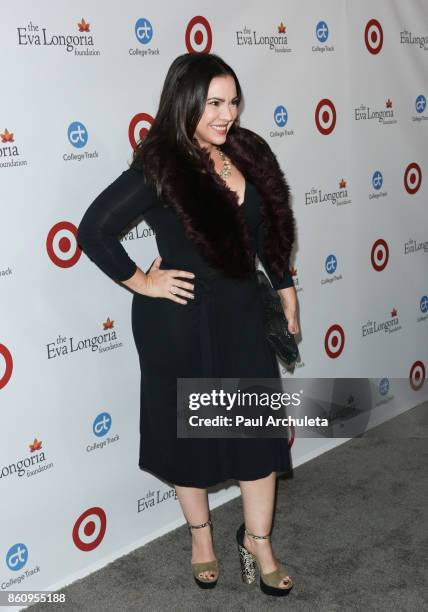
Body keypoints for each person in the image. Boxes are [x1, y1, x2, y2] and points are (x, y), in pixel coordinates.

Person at [77, 52, 300, 596]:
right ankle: (201, 538)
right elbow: (94, 230)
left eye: (233, 102)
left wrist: (287, 289)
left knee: (257, 433)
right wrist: (142, 281)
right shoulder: (162, 165)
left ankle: (258, 542)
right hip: (179, 321)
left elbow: (269, 231)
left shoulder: (249, 153)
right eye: (215, 104)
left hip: (243, 315)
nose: (228, 115)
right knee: (190, 437)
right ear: (186, 102)